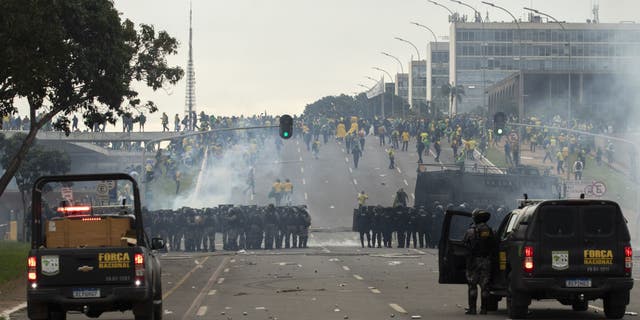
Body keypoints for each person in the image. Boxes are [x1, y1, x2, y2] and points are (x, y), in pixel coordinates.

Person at [463, 210, 496, 315]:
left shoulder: (470, 231)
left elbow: (464, 244)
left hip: (473, 261)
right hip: (486, 260)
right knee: (485, 286)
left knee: (472, 285)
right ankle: (484, 309)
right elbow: (494, 245)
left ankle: (472, 309)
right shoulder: (489, 230)